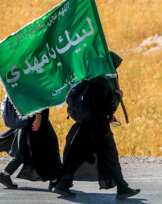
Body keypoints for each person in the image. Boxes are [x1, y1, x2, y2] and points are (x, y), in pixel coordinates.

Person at [54, 51, 140, 199]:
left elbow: (94, 104)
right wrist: (117, 97)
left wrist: (109, 112)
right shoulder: (101, 81)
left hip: (86, 124)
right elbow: (100, 104)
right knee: (110, 156)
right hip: (97, 126)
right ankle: (122, 188)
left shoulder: (92, 78)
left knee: (77, 155)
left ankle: (63, 184)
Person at [0, 99, 62, 190]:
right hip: (34, 116)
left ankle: (5, 174)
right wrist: (38, 116)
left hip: (30, 115)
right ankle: (54, 179)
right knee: (47, 146)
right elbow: (32, 93)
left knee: (27, 148)